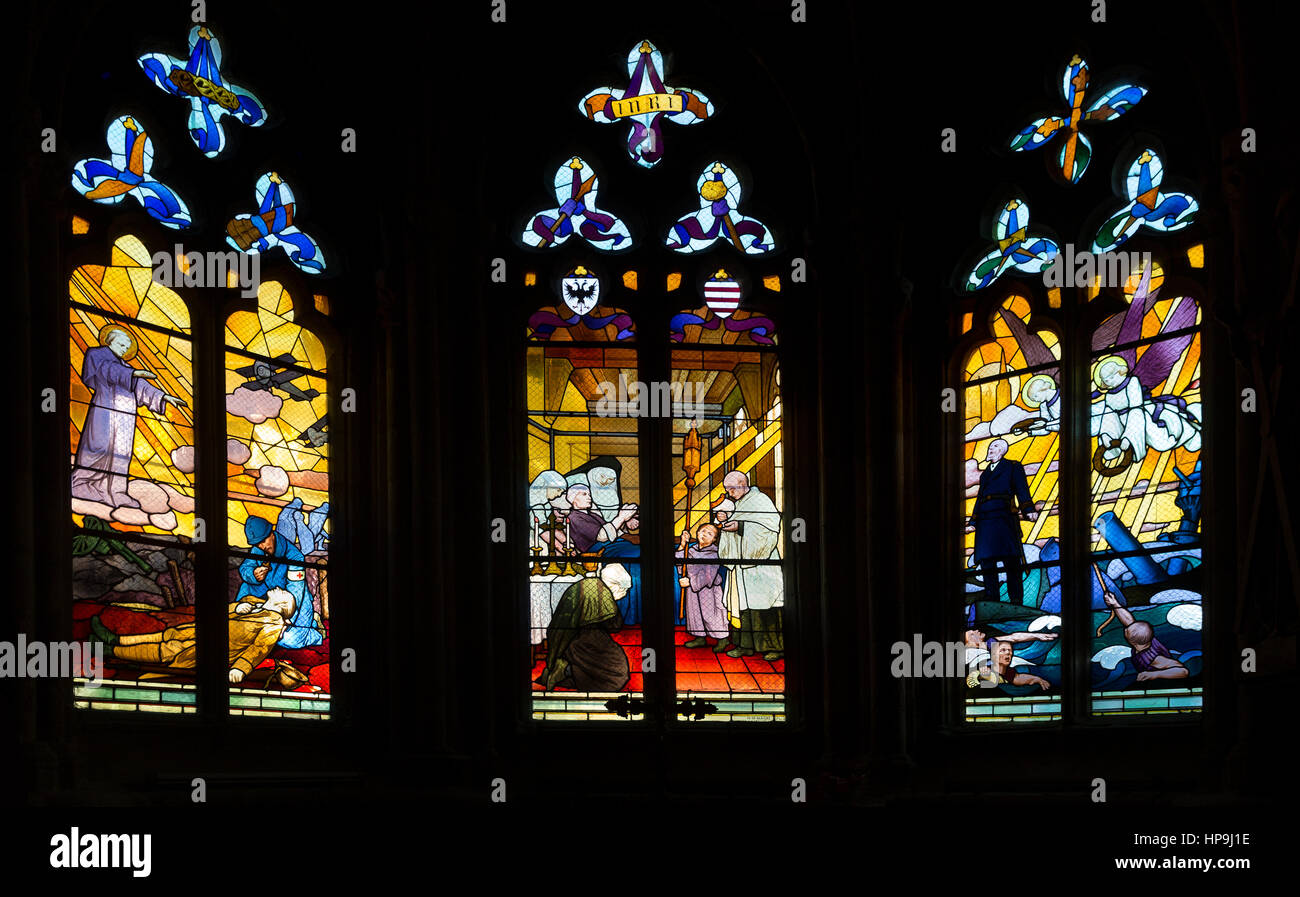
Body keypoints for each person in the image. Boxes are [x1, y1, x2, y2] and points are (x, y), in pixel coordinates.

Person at [71, 325, 187, 508]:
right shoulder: (96, 354)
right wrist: (132, 373)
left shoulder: (126, 368)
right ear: (109, 341)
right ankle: (81, 483)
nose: (124, 349)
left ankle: (116, 492)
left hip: (125, 416)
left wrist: (164, 397)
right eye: (121, 344)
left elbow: (142, 387)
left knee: (122, 452)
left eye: (127, 347)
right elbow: (105, 370)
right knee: (98, 446)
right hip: (105, 409)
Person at [88, 587, 297, 684]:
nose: (279, 588)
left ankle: (110, 650)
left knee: (168, 650)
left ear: (282, 605)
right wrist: (237, 607)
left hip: (215, 647)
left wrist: (240, 669)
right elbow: (226, 610)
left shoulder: (274, 622)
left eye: (283, 593)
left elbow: (258, 648)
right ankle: (113, 638)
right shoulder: (252, 601)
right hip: (203, 630)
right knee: (166, 636)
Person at [718, 471, 784, 661]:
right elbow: (736, 526)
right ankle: (745, 645)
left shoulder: (760, 500)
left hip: (761, 567)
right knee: (743, 605)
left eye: (731, 489)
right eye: (727, 489)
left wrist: (740, 526)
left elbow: (769, 528)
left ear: (742, 484)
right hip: (742, 567)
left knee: (765, 605)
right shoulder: (740, 503)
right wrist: (725, 521)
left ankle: (775, 647)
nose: (729, 493)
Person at [537, 564, 633, 692]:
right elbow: (615, 626)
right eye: (623, 590)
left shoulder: (589, 584)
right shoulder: (602, 593)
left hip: (568, 639)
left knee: (607, 669)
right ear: (615, 585)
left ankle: (564, 671)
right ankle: (566, 670)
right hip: (581, 643)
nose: (624, 594)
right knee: (618, 673)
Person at [238, 515, 323, 649]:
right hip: (267, 602)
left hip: (295, 605)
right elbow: (245, 568)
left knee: (288, 640)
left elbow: (295, 593)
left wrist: (282, 620)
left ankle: (315, 631)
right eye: (257, 544)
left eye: (264, 541)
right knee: (243, 627)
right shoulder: (257, 549)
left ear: (272, 533)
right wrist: (253, 574)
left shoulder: (294, 556)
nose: (262, 546)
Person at [969, 439, 1037, 605]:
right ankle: (992, 599)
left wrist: (1028, 509)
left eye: (995, 446)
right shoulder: (985, 474)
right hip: (985, 521)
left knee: (1011, 560)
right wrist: (973, 521)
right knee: (987, 561)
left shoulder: (1013, 466)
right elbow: (980, 498)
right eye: (990, 447)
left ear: (1003, 450)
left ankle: (1016, 600)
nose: (991, 449)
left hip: (1004, 516)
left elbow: (1022, 489)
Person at [1101, 589, 1188, 681]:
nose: (1126, 628)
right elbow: (1128, 620)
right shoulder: (1146, 638)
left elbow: (1183, 671)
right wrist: (1115, 603)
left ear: (1132, 642)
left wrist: (1154, 675)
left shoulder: (1153, 659)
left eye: (1127, 631)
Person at [676, 522, 729, 651]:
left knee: (711, 614)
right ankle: (699, 637)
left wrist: (690, 582)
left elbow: (708, 575)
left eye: (709, 533)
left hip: (709, 589)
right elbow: (680, 562)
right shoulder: (691, 550)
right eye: (703, 531)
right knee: (695, 613)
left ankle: (722, 638)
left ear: (714, 539)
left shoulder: (714, 553)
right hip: (693, 590)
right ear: (697, 533)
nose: (705, 534)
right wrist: (682, 544)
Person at [965, 638, 1051, 690]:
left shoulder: (1009, 673)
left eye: (1010, 650)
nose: (1008, 653)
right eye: (1003, 650)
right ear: (993, 655)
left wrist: (1037, 679)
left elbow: (1018, 678)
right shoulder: (984, 670)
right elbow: (972, 681)